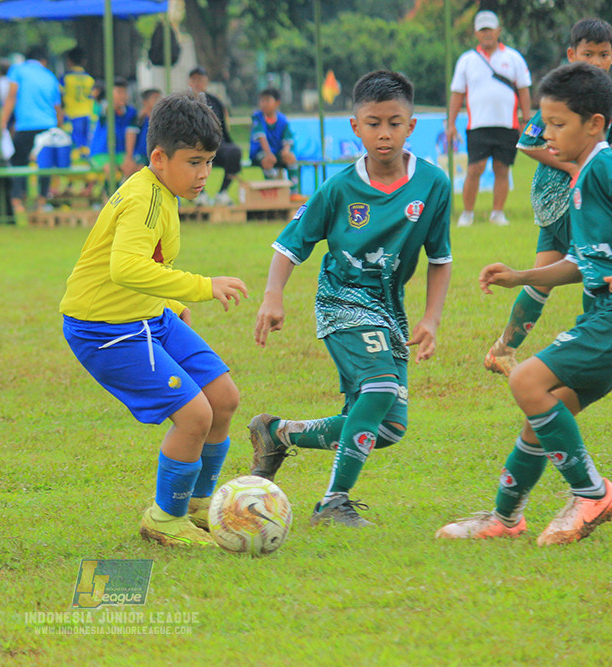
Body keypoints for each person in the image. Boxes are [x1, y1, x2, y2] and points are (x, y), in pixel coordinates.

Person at [249, 70, 452, 528]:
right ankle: (332, 503)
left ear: (412, 126)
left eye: (395, 123)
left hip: (390, 308)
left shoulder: (434, 185)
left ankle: (277, 433)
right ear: (355, 127)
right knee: (379, 387)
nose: (385, 133)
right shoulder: (339, 188)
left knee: (387, 428)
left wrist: (432, 318)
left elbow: (440, 257)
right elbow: (290, 244)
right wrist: (272, 296)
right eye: (374, 123)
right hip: (341, 299)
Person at [59, 93, 248, 547]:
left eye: (209, 162)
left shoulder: (164, 190)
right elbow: (124, 268)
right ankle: (164, 518)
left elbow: (147, 264)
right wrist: (201, 287)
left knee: (223, 398)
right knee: (194, 415)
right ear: (159, 157)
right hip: (105, 330)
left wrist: (168, 302)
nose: (204, 173)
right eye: (195, 162)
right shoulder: (144, 199)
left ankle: (200, 507)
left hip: (148, 317)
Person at [438, 62, 612, 545]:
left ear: (594, 123)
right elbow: (581, 261)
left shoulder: (604, 165)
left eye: (559, 124)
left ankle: (592, 493)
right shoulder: (585, 174)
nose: (547, 135)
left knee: (526, 379)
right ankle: (505, 518)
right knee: (548, 411)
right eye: (545, 122)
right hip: (598, 315)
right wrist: (522, 277)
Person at [483, 18, 612, 376]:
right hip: (564, 200)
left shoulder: (597, 100)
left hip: (571, 200)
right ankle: (596, 340)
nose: (597, 62)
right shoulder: (566, 99)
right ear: (572, 55)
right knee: (595, 267)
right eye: (589, 54)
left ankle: (502, 349)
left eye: (604, 54)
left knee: (542, 279)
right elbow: (526, 142)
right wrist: (575, 170)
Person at [446, 10, 531, 227]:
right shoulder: (467, 60)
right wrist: (451, 123)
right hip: (478, 125)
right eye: (482, 30)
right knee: (475, 168)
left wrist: (526, 119)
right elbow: (457, 93)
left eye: (490, 29)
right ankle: (467, 213)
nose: (487, 34)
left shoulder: (513, 58)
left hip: (507, 124)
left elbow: (523, 90)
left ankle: (498, 213)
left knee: (502, 169)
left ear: (498, 31)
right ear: (476, 33)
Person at [0, 46, 63, 213]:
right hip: (48, 125)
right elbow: (57, 106)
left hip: (26, 125)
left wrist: (2, 121)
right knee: (45, 165)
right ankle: (41, 201)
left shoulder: (18, 70)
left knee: (19, 162)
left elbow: (11, 96)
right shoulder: (50, 75)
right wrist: (59, 127)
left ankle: (17, 200)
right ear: (44, 61)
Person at [187, 66, 242, 207]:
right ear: (189, 82)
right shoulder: (183, 102)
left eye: (201, 79)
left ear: (206, 82)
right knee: (189, 154)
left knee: (234, 152)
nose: (198, 83)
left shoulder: (215, 102)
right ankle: (200, 194)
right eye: (195, 80)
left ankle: (222, 193)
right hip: (193, 146)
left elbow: (223, 127)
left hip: (216, 145)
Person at [86, 78, 137, 189]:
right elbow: (104, 110)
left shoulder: (131, 112)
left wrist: (129, 157)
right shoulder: (102, 108)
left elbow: (131, 133)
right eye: (119, 92)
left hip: (119, 153)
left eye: (125, 92)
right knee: (111, 170)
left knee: (132, 168)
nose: (123, 95)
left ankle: (123, 196)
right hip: (101, 153)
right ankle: (108, 199)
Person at [249, 88, 297, 180]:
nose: (263, 104)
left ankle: (293, 191)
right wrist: (268, 153)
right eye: (262, 100)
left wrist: (286, 151)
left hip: (277, 152)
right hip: (261, 152)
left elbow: (288, 139)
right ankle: (273, 189)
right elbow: (261, 137)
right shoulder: (257, 117)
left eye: (267, 101)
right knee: (267, 160)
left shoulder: (283, 120)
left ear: (277, 103)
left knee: (291, 158)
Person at [60, 47, 95, 160]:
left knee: (74, 148)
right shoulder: (89, 79)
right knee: (86, 146)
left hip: (72, 116)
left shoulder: (65, 78)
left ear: (69, 61)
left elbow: (59, 97)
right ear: (84, 61)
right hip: (87, 115)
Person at [122, 88, 162, 177]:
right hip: (142, 155)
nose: (159, 101)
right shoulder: (139, 119)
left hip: (158, 154)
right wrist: (129, 157)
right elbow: (130, 136)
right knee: (139, 169)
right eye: (155, 98)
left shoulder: (162, 119)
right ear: (145, 102)